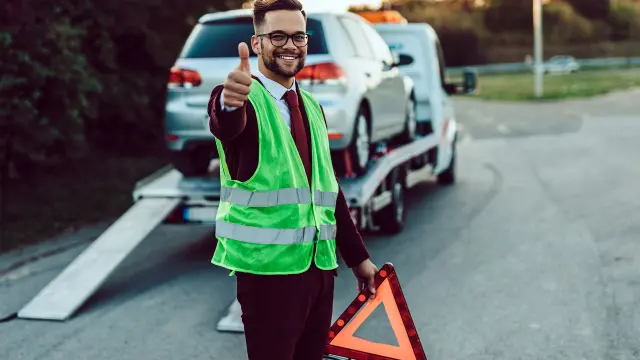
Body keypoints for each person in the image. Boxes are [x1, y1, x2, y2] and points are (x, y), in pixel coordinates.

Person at [207, 0, 378, 359]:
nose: (290, 45)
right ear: (257, 44)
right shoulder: (246, 101)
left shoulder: (313, 107)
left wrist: (357, 257)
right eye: (278, 36)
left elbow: (328, 191)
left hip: (319, 268)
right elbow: (226, 124)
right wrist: (229, 101)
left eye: (298, 36)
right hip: (269, 275)